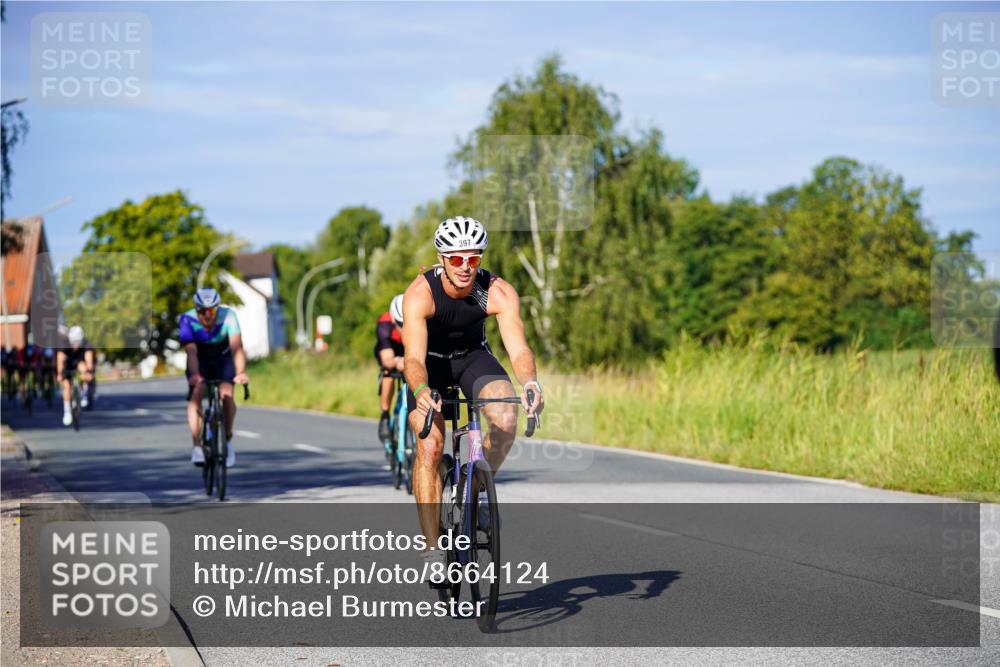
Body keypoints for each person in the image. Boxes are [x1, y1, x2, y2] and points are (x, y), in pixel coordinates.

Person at [401, 216, 544, 576]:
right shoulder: (420, 293)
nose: (466, 267)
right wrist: (420, 392)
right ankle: (432, 547)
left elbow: (519, 348)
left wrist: (531, 383)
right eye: (456, 259)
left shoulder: (496, 291)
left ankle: (477, 486)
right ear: (441, 258)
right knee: (430, 445)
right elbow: (414, 359)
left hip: (471, 359)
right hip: (430, 366)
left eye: (474, 259)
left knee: (507, 417)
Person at [179, 288, 249, 467]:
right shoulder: (187, 319)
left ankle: (227, 438)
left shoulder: (229, 316)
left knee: (227, 394)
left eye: (211, 311)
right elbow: (191, 352)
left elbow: (237, 347)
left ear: (217, 309)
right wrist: (195, 376)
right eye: (202, 311)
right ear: (196, 310)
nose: (207, 315)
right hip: (199, 358)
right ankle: (197, 447)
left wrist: (241, 372)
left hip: (222, 357)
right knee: (198, 392)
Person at [374, 294, 406, 441]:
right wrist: (397, 361)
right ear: (394, 319)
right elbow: (387, 359)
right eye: (401, 324)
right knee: (388, 372)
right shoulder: (385, 323)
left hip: (409, 348)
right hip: (390, 350)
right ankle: (385, 416)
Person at [57, 326, 96, 425]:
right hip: (68, 364)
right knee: (66, 386)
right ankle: (67, 411)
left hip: (79, 362)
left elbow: (89, 360)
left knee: (84, 370)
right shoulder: (64, 344)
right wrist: (60, 373)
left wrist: (89, 372)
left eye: (78, 342)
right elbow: (60, 360)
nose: (76, 345)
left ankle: (83, 393)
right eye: (73, 342)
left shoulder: (87, 344)